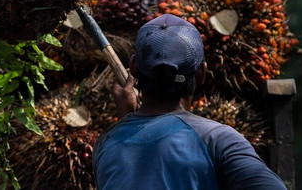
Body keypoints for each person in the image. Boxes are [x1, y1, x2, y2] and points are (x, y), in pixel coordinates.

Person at [93, 14, 287, 189]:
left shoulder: (104, 146)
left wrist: (128, 120)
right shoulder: (218, 140)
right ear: (201, 73)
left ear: (134, 68)